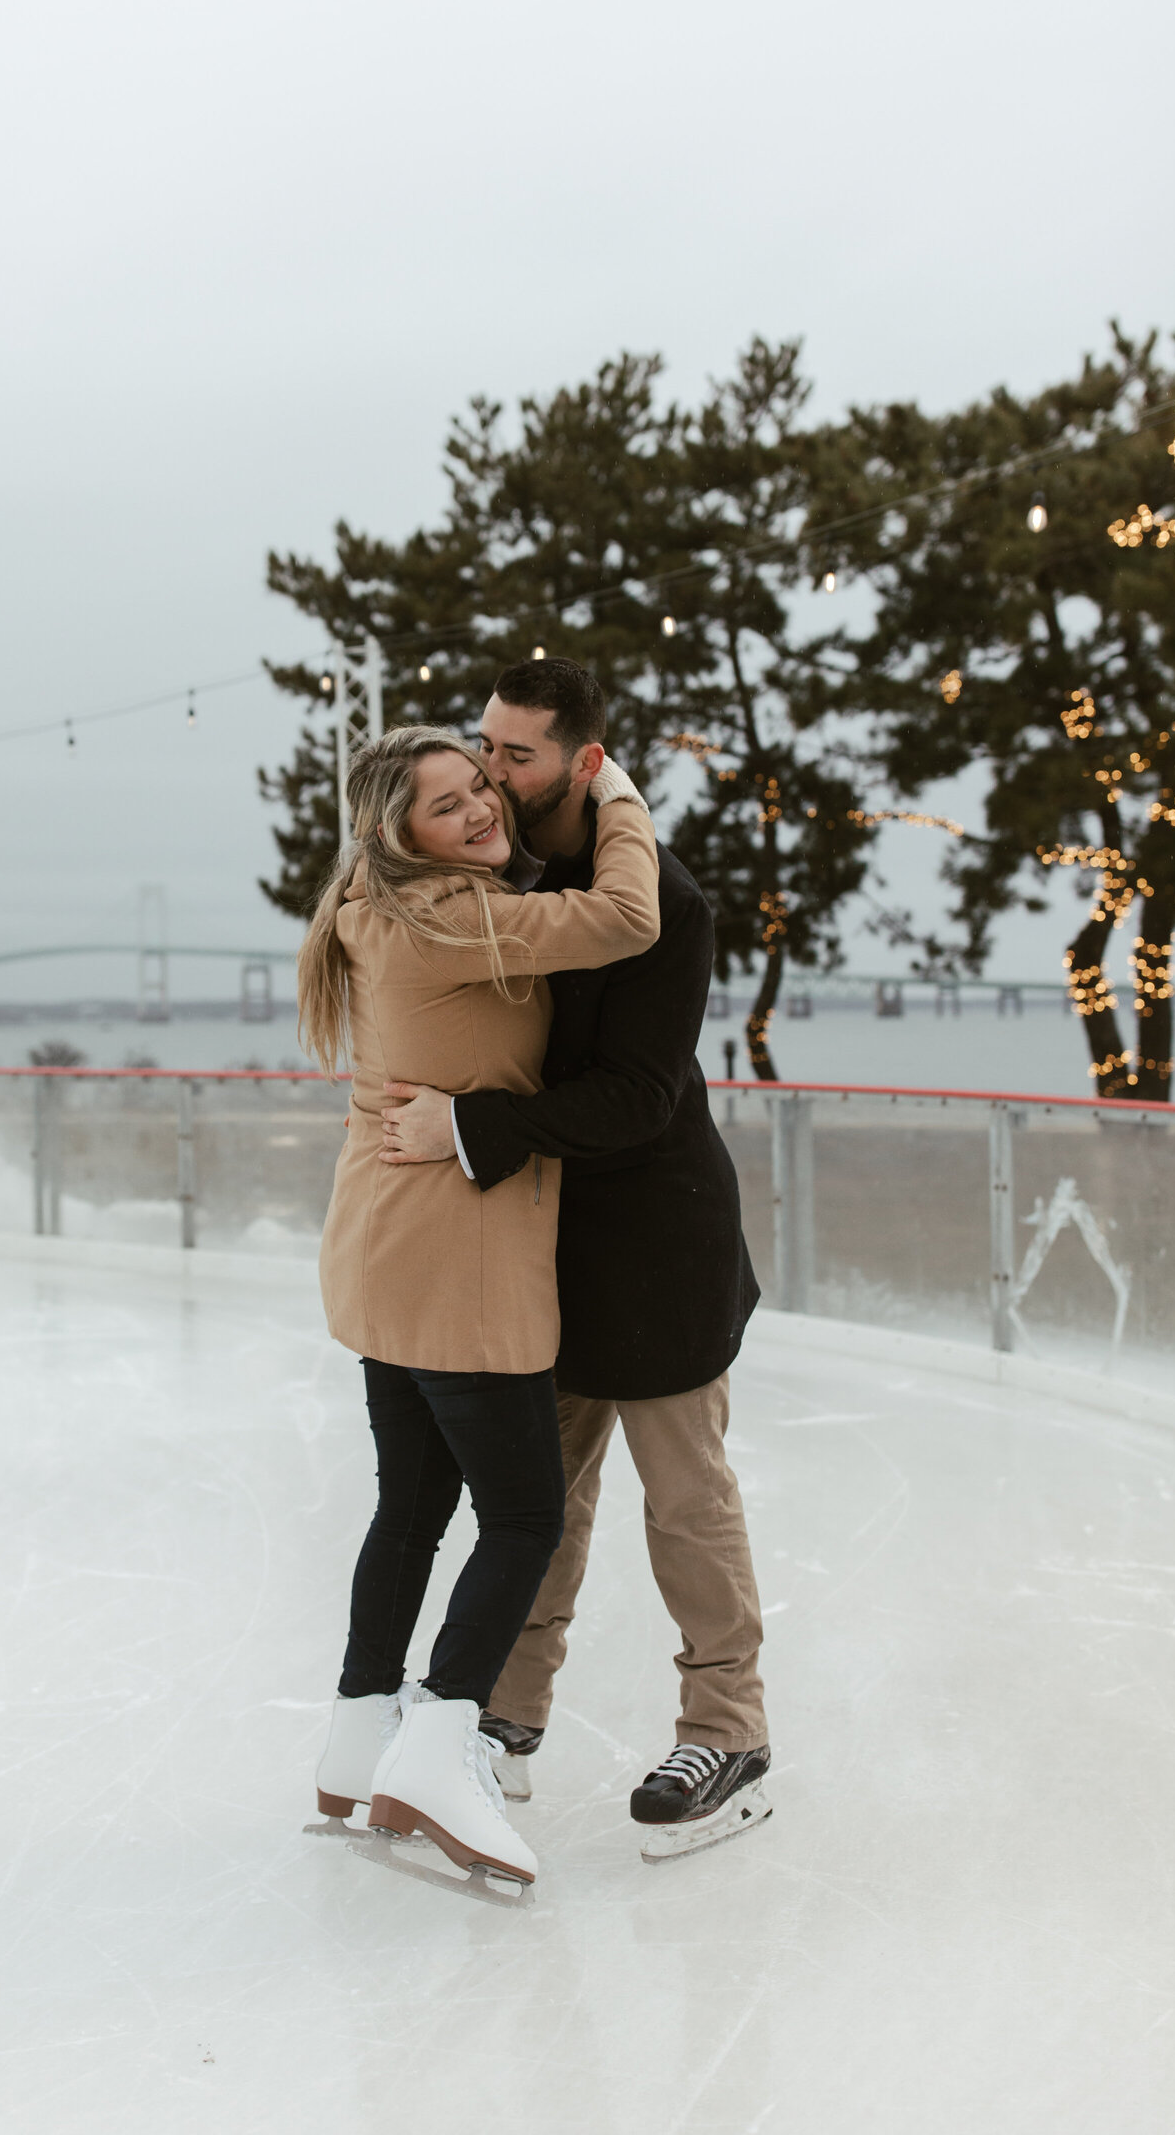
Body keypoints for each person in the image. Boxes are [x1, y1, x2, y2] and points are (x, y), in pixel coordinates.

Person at [379, 658, 771, 1859]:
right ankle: (505, 1723)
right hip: (543, 1244)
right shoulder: (514, 876)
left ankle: (730, 1730)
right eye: (483, 750)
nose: (492, 776)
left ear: (583, 764)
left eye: (517, 756)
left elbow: (640, 1097)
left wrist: (469, 1127)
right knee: (539, 1501)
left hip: (656, 1242)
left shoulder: (665, 903)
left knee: (682, 1499)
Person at [300, 722, 660, 1885]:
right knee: (522, 1517)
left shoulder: (371, 903)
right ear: (398, 839)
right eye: (445, 806)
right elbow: (624, 919)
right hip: (455, 1249)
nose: (477, 813)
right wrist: (619, 799)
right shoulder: (448, 915)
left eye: (478, 789)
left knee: (410, 1504)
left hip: (382, 1240)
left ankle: (360, 1734)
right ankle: (442, 1741)